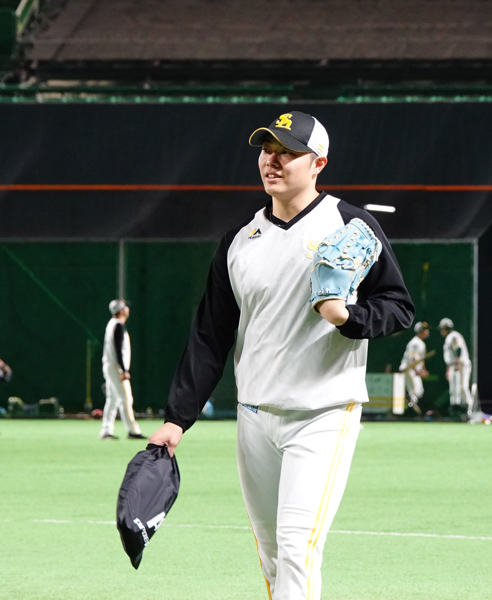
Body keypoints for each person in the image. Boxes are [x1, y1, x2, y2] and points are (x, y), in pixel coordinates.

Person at [147, 111, 414, 600]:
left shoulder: (351, 225)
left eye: (288, 151)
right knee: (272, 555)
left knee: (297, 547)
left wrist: (348, 317)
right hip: (254, 416)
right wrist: (177, 419)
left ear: (319, 163)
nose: (273, 159)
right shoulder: (239, 241)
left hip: (323, 413)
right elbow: (210, 334)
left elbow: (398, 308)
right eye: (267, 149)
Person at [98, 299, 145, 440]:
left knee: (112, 400)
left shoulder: (112, 324)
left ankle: (106, 431)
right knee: (126, 398)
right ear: (122, 310)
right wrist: (123, 370)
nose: (127, 309)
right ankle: (133, 430)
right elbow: (118, 349)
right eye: (125, 307)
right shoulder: (118, 325)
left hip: (110, 365)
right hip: (115, 367)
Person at [439, 317, 472, 415]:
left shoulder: (454, 336)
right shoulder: (450, 337)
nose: (441, 331)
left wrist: (457, 365)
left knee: (463, 387)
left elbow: (458, 349)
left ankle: (470, 409)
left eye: (442, 328)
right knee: (454, 389)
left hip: (461, 364)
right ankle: (456, 410)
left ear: (445, 328)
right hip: (454, 365)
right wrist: (449, 369)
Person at [399, 321, 430, 413]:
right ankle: (411, 409)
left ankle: (411, 406)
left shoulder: (421, 343)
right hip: (408, 368)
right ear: (420, 331)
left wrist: (423, 369)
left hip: (413, 369)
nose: (427, 331)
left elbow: (421, 359)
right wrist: (416, 370)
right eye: (425, 330)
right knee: (415, 390)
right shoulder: (415, 342)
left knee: (419, 391)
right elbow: (412, 358)